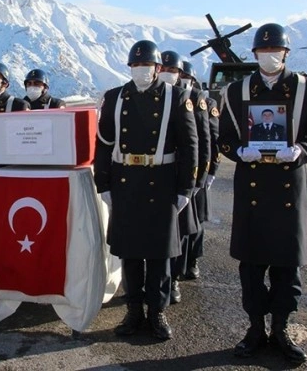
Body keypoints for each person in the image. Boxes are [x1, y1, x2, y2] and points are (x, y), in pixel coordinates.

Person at [218, 23, 307, 364]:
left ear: (285, 54)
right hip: (252, 186)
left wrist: (300, 150)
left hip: (288, 191)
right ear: (254, 55)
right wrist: (238, 152)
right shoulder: (236, 92)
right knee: (251, 267)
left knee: (286, 267)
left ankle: (281, 329)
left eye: (275, 51)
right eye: (263, 52)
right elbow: (224, 139)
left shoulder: (306, 90)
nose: (269, 56)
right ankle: (255, 329)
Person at [94, 40, 198, 340]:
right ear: (130, 67)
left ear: (157, 68)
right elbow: (104, 144)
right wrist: (104, 184)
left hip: (161, 183)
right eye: (137, 66)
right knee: (129, 253)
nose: (142, 70)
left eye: (147, 66)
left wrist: (185, 189)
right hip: (126, 182)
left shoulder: (176, 97)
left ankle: (157, 312)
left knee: (158, 255)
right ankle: (133, 311)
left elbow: (190, 147)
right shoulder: (115, 97)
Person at [158, 51, 210, 305]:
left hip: (184, 174)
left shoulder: (189, 98)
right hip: (161, 176)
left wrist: (199, 180)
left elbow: (202, 141)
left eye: (172, 69)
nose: (167, 73)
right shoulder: (156, 97)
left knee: (181, 233)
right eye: (163, 68)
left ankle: (175, 279)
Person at [182, 60, 220, 280]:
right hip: (184, 168)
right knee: (183, 221)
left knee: (197, 220)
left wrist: (211, 170)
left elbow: (211, 140)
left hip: (201, 168)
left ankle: (193, 260)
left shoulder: (205, 102)